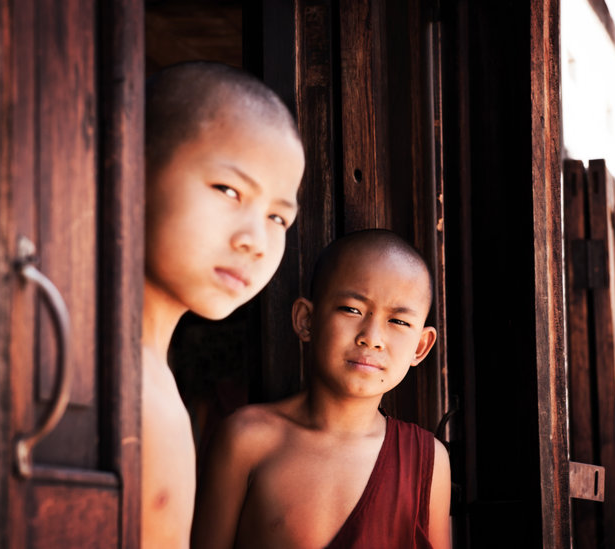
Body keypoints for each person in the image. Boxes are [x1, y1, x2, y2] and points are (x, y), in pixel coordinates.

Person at [191, 229, 452, 549]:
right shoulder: (247, 439)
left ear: (420, 347)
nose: (372, 337)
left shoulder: (427, 461)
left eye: (397, 322)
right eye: (352, 309)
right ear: (306, 320)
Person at [142, 61, 305, 548]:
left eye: (278, 217)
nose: (257, 241)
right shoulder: (131, 390)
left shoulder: (150, 378)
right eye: (229, 190)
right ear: (134, 168)